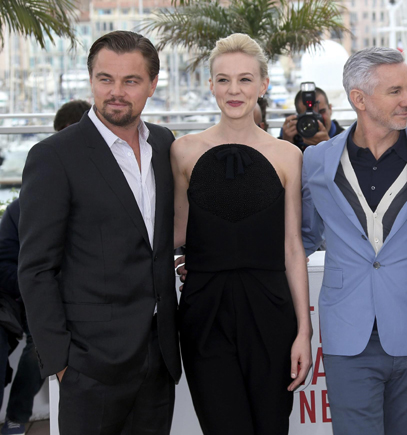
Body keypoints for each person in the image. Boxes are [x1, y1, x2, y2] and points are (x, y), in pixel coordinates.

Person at [17, 31, 181, 435]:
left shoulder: (164, 144)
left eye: (131, 81)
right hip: (89, 368)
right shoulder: (54, 156)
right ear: (90, 79)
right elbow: (36, 268)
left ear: (153, 84)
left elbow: (157, 240)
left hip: (159, 358)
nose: (116, 92)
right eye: (105, 79)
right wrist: (61, 362)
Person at [302, 47, 407, 435]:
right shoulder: (316, 161)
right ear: (359, 99)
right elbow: (303, 236)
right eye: (394, 91)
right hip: (346, 331)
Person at [170, 33, 311, 434]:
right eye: (224, 79)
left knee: (270, 427)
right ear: (210, 84)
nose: (234, 90)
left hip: (270, 310)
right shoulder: (183, 151)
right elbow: (177, 231)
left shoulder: (288, 155)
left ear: (263, 85)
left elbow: (292, 247)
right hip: (203, 309)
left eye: (245, 79)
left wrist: (304, 331)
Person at [0, 99, 90, 435]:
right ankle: (16, 419)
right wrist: (41, 287)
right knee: (40, 341)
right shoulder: (24, 205)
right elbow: (10, 265)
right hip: (33, 300)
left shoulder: (104, 195)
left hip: (88, 301)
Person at [280, 86, 345, 151]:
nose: (315, 120)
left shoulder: (344, 138)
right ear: (298, 117)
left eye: (321, 112)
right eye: (308, 116)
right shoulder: (291, 136)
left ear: (330, 109)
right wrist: (287, 144)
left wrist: (327, 145)